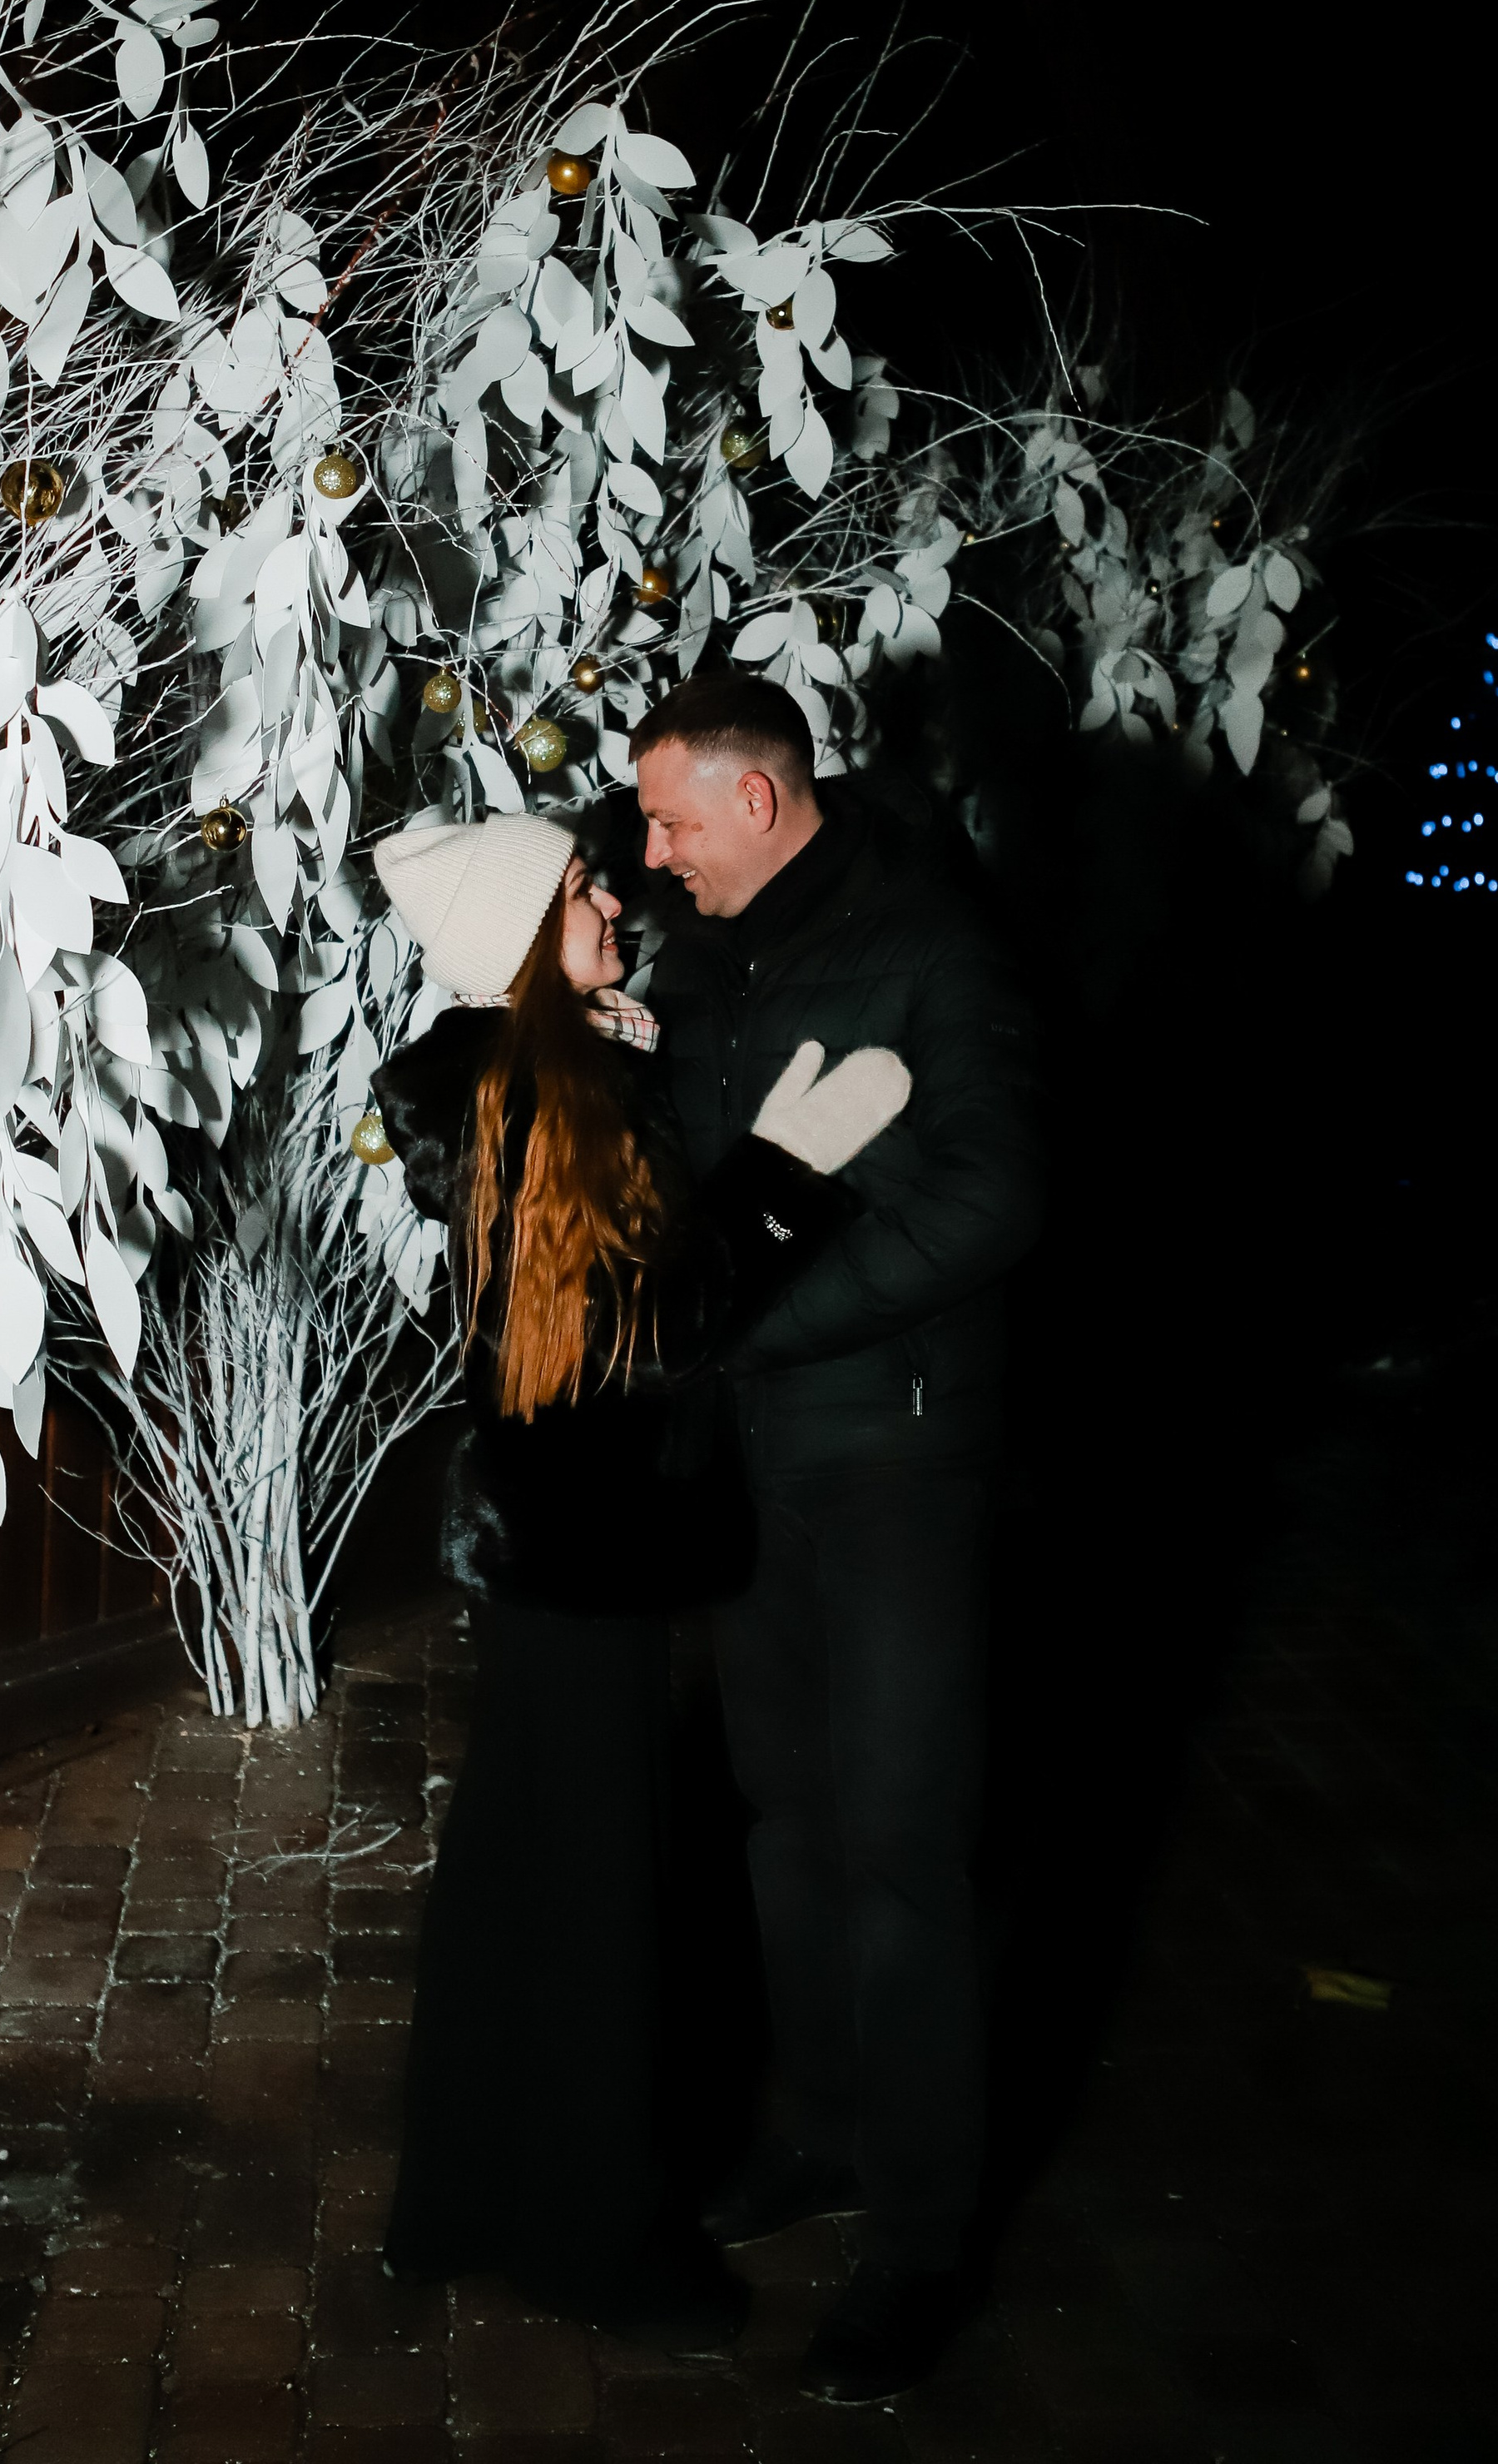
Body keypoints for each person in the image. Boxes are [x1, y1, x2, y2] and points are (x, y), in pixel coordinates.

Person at [368, 808, 911, 2351]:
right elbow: (645, 1329)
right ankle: (595, 2243)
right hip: (591, 1534)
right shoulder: (541, 1089)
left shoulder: (528, 1075)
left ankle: (462, 2200)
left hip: (553, 1531)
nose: (611, 894)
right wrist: (783, 1182)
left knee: (517, 1867)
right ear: (517, 936)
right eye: (578, 886)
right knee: (606, 1894)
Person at [633, 672, 1042, 2407]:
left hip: (894, 1456)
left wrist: (761, 1330)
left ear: (753, 798)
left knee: (897, 1853)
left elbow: (993, 1194)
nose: (647, 853)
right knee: (782, 1823)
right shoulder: (705, 955)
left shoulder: (934, 946)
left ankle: (918, 2243)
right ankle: (817, 2133)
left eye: (665, 819)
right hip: (753, 1470)